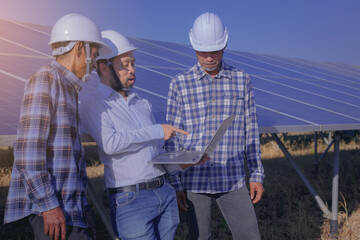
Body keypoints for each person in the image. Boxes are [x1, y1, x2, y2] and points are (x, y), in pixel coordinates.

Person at [79, 30, 206, 240]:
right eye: (125, 65)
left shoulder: (142, 103)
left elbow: (155, 150)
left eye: (133, 63)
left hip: (163, 191)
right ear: (103, 68)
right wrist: (157, 130)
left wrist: (183, 163)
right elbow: (110, 143)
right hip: (130, 199)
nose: (132, 70)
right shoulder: (93, 103)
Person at [3, 13, 112, 240]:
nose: (95, 62)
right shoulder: (46, 78)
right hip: (46, 215)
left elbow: (68, 162)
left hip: (67, 212)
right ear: (80, 48)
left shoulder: (69, 89)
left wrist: (82, 209)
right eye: (94, 53)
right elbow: (28, 150)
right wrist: (49, 206)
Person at [165, 12, 265, 240]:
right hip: (194, 180)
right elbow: (173, 140)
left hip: (232, 178)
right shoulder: (179, 84)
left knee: (249, 235)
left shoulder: (242, 80)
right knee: (199, 237)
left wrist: (256, 174)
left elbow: (251, 131)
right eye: (203, 51)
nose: (209, 57)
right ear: (193, 47)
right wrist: (177, 184)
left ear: (225, 44)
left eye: (215, 51)